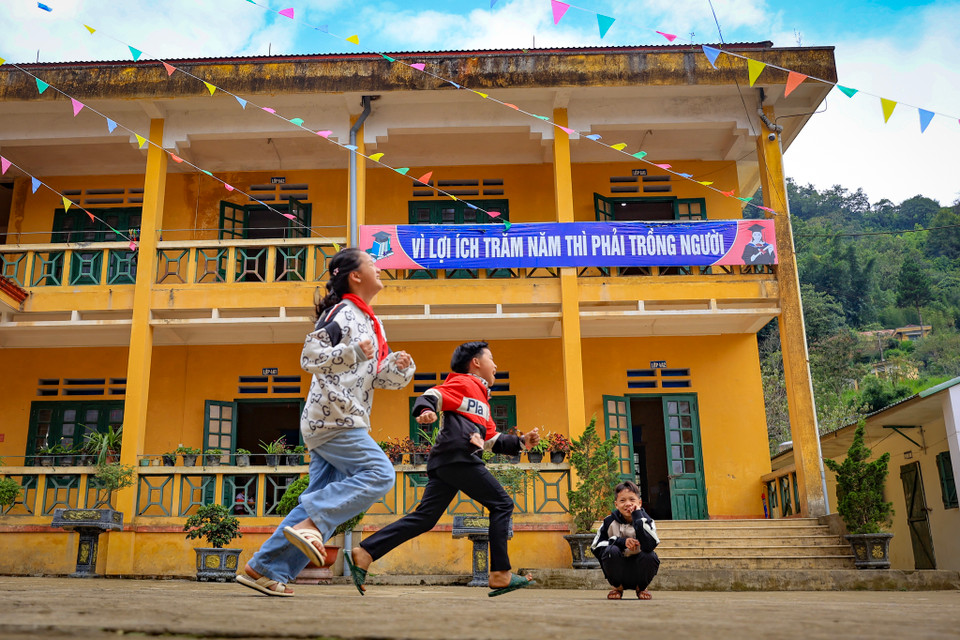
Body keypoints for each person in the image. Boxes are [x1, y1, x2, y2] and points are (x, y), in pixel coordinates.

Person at [236, 247, 415, 597]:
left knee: (312, 501)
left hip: (347, 416)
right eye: (373, 264)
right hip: (333, 417)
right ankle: (309, 526)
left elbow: (379, 378)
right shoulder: (341, 313)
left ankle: (263, 568)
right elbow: (310, 357)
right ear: (355, 275)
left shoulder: (371, 321)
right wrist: (352, 352)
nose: (380, 269)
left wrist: (399, 366)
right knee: (380, 474)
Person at [347, 341, 539, 597]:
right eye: (492, 358)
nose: (496, 365)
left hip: (446, 461)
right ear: (476, 363)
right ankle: (500, 573)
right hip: (459, 457)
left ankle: (366, 552)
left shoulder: (482, 399)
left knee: (425, 518)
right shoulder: (464, 383)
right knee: (502, 504)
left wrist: (522, 443)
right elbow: (432, 396)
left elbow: (492, 440)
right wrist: (425, 410)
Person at [591, 480, 660, 600]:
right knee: (610, 551)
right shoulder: (608, 521)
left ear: (640, 503)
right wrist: (621, 542)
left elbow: (650, 545)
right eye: (622, 501)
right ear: (616, 504)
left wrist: (638, 518)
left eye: (632, 500)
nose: (628, 504)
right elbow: (595, 546)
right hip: (617, 568)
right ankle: (618, 587)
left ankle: (641, 587)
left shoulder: (647, 521)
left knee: (651, 556)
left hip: (639, 568)